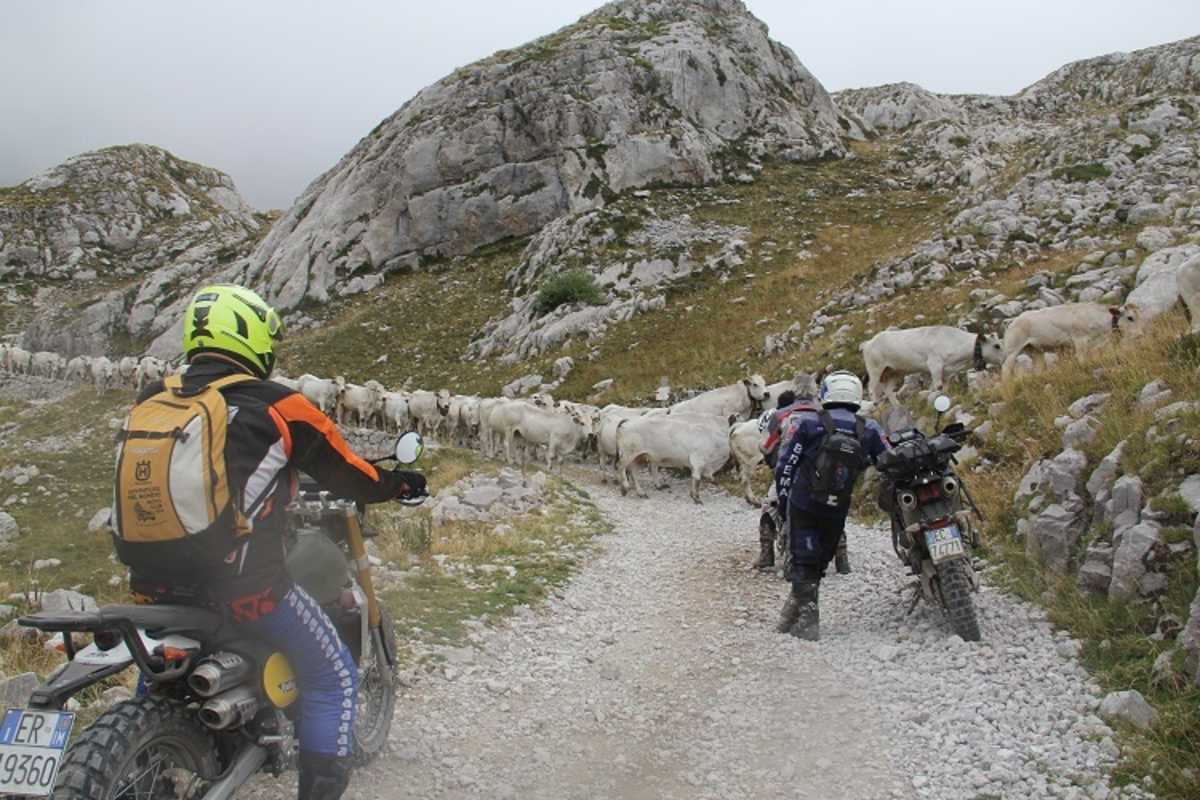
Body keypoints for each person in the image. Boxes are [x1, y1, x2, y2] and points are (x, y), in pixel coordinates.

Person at [113, 284, 425, 800]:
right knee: (334, 680)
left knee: (162, 671)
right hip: (244, 588)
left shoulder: (155, 400)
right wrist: (401, 483)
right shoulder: (281, 405)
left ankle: (144, 757)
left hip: (151, 586)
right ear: (251, 335)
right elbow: (351, 475)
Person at [772, 371, 886, 640]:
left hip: (805, 502)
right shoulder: (868, 429)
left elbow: (786, 464)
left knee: (803, 557)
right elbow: (886, 461)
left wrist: (783, 499)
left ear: (826, 393)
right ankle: (791, 613)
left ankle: (809, 620)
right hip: (838, 506)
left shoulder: (808, 423)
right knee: (820, 559)